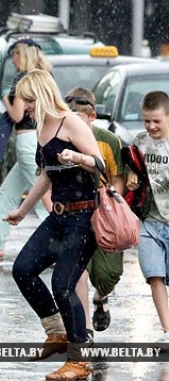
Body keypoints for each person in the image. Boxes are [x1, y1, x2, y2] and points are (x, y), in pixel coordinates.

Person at [5, 69, 103, 380]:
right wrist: (22, 210)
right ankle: (57, 333)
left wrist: (77, 157)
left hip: (83, 217)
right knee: (22, 269)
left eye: (29, 101)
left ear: (43, 95)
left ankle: (78, 360)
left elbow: (99, 163)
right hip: (58, 216)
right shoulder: (41, 128)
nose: (27, 108)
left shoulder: (70, 121)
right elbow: (46, 174)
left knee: (62, 285)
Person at [0, 37, 52, 262]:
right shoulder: (45, 78)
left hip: (26, 143)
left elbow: (17, 115)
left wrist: (6, 98)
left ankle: (59, 245)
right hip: (39, 140)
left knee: (43, 197)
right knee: (7, 193)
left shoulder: (22, 81)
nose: (13, 60)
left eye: (15, 54)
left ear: (22, 54)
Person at [67, 87, 126, 344]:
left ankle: (101, 297)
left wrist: (112, 205)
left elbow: (118, 179)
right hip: (75, 214)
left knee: (109, 274)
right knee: (77, 271)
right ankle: (86, 329)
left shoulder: (109, 141)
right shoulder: (61, 139)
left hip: (104, 213)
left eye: (78, 120)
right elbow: (46, 180)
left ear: (91, 117)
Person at [126, 91, 169, 343]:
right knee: (155, 275)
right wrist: (133, 175)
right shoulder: (139, 142)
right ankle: (167, 330)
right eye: (146, 121)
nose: (151, 126)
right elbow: (132, 166)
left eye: (157, 121)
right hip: (148, 220)